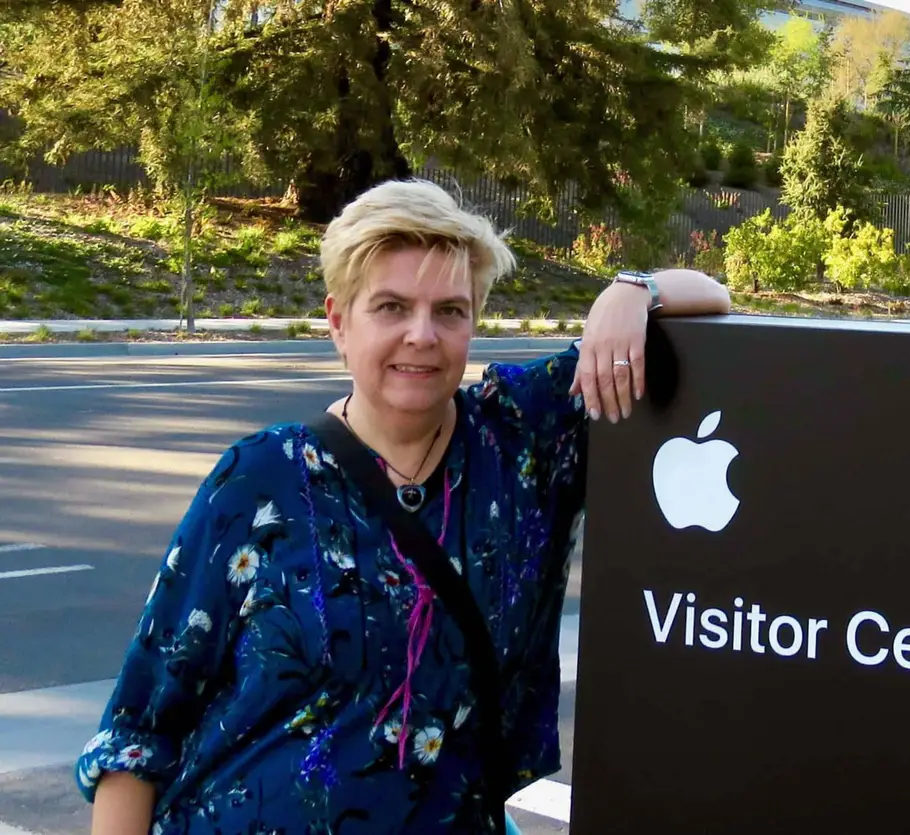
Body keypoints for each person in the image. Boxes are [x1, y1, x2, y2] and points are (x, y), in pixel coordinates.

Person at [77, 179, 731, 833]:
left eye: (449, 310)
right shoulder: (259, 479)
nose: (422, 334)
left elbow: (712, 299)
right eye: (391, 307)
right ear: (339, 322)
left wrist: (632, 291)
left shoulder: (523, 438)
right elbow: (139, 731)